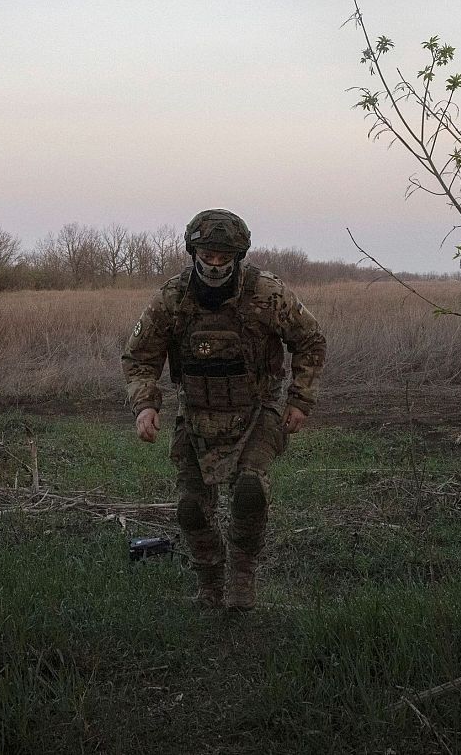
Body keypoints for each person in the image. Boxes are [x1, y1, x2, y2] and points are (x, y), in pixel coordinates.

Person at [122, 209, 326, 611]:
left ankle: (242, 578)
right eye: (207, 256)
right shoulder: (172, 299)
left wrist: (299, 399)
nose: (215, 265)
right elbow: (139, 357)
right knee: (191, 509)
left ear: (238, 257)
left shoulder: (267, 294)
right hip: (195, 415)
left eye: (223, 258)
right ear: (193, 253)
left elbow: (311, 340)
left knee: (249, 493)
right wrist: (145, 405)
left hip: (256, 411)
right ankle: (210, 583)